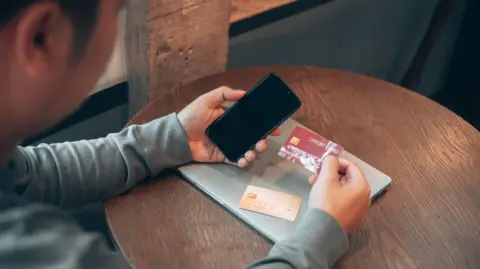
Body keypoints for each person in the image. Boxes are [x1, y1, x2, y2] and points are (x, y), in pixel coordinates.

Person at [0, 0, 371, 268]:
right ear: (41, 37)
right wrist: (322, 233)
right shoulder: (38, 252)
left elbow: (31, 174)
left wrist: (175, 136)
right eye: (117, 11)